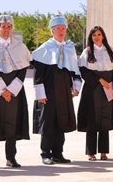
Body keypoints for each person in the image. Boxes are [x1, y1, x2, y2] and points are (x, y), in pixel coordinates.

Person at [0, 14, 31, 169]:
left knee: (12, 124)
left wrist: (12, 89)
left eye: (9, 27)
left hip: (15, 91)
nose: (6, 29)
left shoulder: (19, 46)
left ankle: (11, 158)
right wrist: (2, 90)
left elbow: (23, 69)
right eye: (3, 26)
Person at [32, 15, 82, 165]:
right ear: (52, 31)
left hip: (64, 93)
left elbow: (75, 70)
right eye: (58, 29)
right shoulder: (45, 49)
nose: (61, 31)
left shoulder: (69, 48)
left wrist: (76, 87)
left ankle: (58, 153)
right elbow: (38, 75)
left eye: (63, 28)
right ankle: (45, 154)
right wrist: (40, 94)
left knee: (61, 122)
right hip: (48, 93)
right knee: (48, 124)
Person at [77, 26, 113, 161]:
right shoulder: (87, 52)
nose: (97, 37)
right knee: (92, 120)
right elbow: (84, 72)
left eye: (99, 34)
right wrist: (99, 80)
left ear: (103, 36)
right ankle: (91, 152)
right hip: (92, 89)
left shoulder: (110, 51)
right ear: (91, 37)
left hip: (108, 90)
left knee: (105, 120)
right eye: (94, 35)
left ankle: (103, 151)